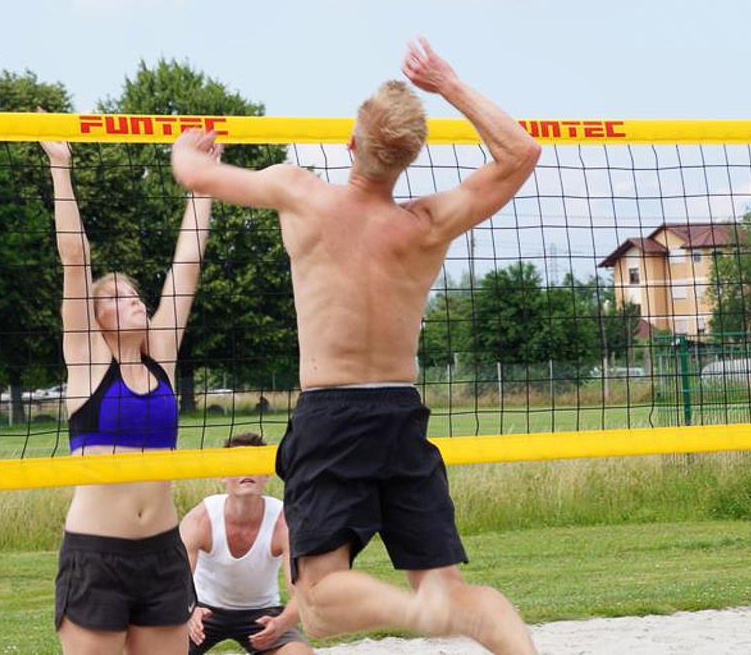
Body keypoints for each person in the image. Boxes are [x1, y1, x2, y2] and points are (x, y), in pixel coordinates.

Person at [170, 38, 542, 655]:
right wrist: (447, 83)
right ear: (409, 159)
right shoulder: (429, 223)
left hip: (332, 415)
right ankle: (446, 608)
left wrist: (187, 148)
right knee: (451, 591)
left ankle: (419, 611)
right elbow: (521, 152)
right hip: (400, 411)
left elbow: (194, 175)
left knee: (317, 604)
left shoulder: (300, 193)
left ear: (350, 144)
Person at [42, 131, 217, 655]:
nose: (135, 300)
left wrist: (203, 184)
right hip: (97, 556)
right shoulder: (88, 361)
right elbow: (76, 259)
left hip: (162, 555)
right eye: (118, 298)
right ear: (96, 320)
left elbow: (187, 266)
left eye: (135, 294)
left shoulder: (159, 357)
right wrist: (60, 167)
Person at [179, 432, 314, 655]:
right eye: (238, 463)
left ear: (267, 473)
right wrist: (188, 612)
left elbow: (302, 592)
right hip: (203, 610)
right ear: (222, 475)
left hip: (262, 613)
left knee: (299, 654)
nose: (247, 470)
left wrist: (281, 622)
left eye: (253, 462)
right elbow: (174, 581)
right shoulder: (201, 519)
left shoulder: (284, 521)